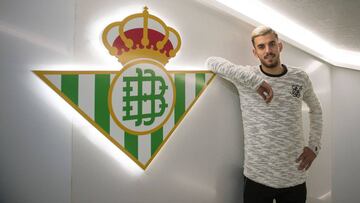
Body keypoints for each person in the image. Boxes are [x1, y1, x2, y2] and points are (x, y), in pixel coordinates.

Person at [206, 26, 322, 203]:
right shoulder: (247, 77)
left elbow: (316, 109)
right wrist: (256, 82)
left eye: (272, 44)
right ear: (255, 52)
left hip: (294, 176)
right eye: (261, 47)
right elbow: (211, 62)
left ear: (280, 46)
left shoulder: (300, 77)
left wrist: (314, 146)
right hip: (257, 177)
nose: (268, 51)